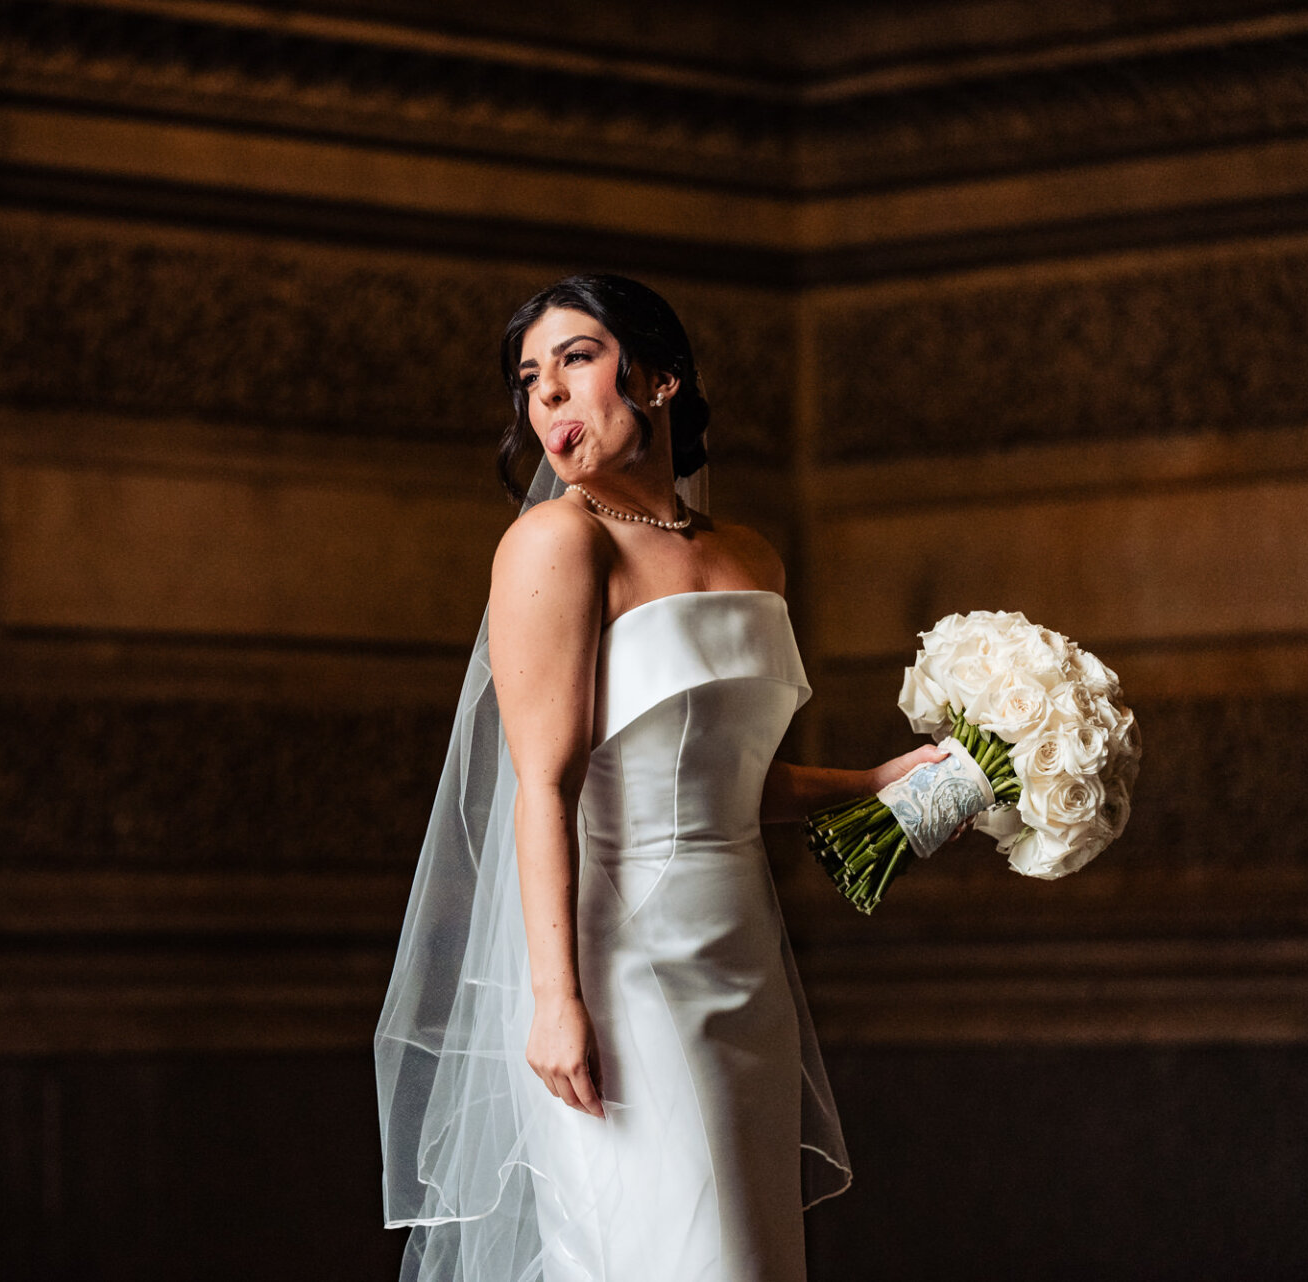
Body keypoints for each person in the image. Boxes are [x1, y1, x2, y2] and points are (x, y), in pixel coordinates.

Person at [375, 274, 956, 1282]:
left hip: (742, 960)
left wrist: (873, 782)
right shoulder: (556, 544)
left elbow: (727, 779)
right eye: (529, 379)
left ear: (659, 378)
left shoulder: (751, 559)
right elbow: (542, 787)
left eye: (576, 360)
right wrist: (556, 1000)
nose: (548, 396)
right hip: (621, 967)